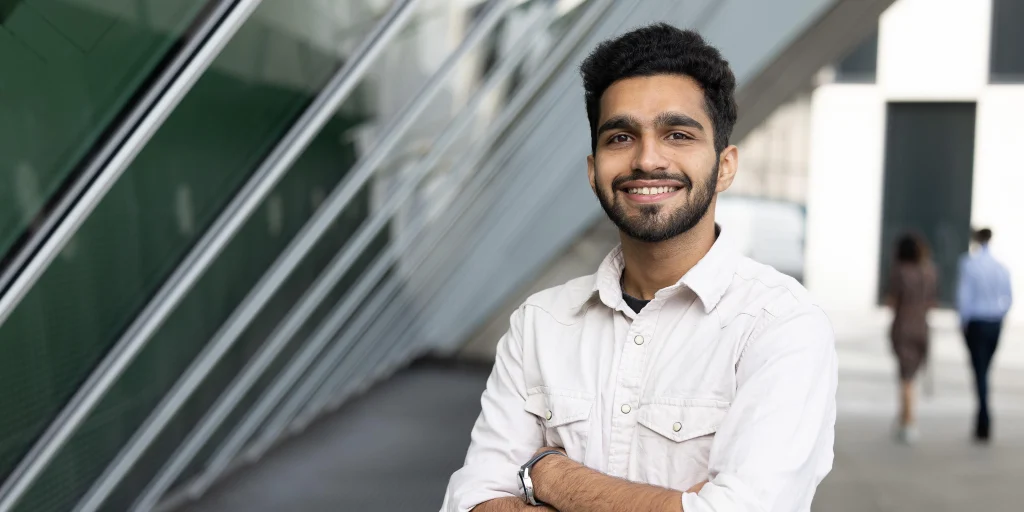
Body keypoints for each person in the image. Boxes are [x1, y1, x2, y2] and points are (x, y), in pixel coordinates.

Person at [439, 24, 837, 512]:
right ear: (593, 170)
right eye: (621, 136)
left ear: (725, 165)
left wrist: (550, 473)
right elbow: (472, 503)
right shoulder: (539, 324)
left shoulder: (780, 325)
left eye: (678, 134)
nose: (647, 159)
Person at [957, 228, 1013, 442]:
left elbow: (964, 296)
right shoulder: (1000, 267)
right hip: (993, 322)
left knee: (980, 371)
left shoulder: (969, 265)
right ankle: (983, 417)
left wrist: (963, 321)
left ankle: (984, 419)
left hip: (978, 323)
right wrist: (999, 314)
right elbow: (1008, 298)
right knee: (984, 369)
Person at [885, 234, 937, 443]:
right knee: (911, 375)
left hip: (904, 326)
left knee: (905, 377)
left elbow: (892, 300)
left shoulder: (900, 271)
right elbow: (933, 301)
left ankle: (909, 421)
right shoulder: (930, 271)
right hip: (922, 327)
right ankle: (904, 417)